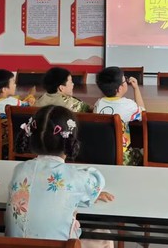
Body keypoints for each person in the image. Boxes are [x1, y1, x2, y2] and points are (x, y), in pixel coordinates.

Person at [6, 105, 114, 247]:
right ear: (70, 140)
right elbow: (97, 181)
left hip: (15, 246)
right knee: (105, 237)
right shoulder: (74, 177)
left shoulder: (19, 170)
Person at [94, 66, 145, 166]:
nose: (126, 81)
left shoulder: (98, 104)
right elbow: (143, 113)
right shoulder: (128, 105)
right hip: (122, 158)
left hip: (101, 154)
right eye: (124, 80)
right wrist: (136, 88)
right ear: (120, 88)